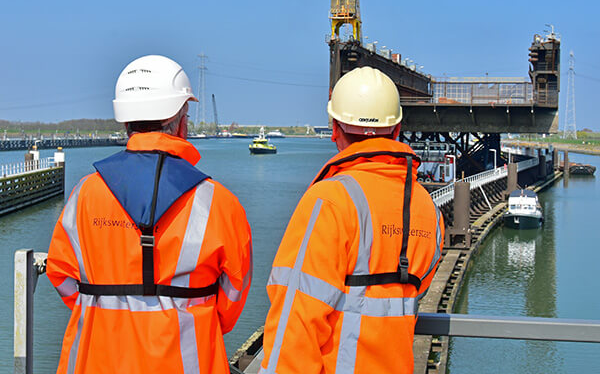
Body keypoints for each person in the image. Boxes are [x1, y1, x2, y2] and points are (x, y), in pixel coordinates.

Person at [46, 55, 252, 374]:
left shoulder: (82, 196)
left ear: (125, 122)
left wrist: (108, 312)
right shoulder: (219, 203)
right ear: (181, 121)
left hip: (94, 363)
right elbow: (231, 301)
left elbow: (61, 275)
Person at [259, 67, 444, 373]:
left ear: (334, 129)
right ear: (397, 130)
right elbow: (416, 287)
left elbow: (296, 318)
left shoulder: (329, 200)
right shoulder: (427, 208)